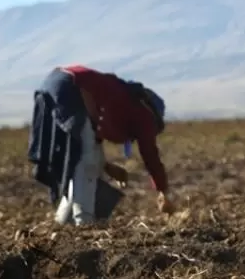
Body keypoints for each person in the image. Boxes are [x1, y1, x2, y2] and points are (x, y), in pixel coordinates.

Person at [28, 65, 173, 225]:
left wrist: (107, 167)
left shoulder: (122, 99)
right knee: (86, 165)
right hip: (71, 87)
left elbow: (91, 141)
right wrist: (163, 191)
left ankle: (63, 223)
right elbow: (150, 155)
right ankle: (84, 222)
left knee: (77, 162)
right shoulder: (145, 115)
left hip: (54, 83)